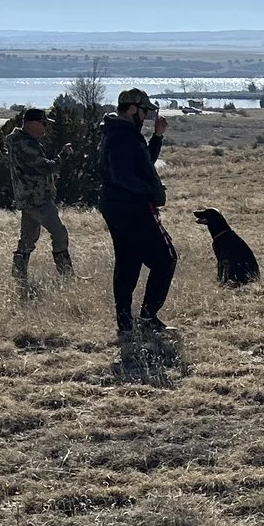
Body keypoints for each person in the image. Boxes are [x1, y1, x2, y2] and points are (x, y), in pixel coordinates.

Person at [97, 88, 174, 340]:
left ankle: (126, 322)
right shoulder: (122, 137)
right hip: (132, 208)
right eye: (143, 111)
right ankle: (147, 318)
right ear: (132, 109)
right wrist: (150, 192)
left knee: (128, 262)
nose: (145, 116)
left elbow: (142, 164)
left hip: (118, 207)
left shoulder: (122, 133)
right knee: (165, 259)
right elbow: (124, 177)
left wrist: (157, 138)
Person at [4, 107, 71, 283]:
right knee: (59, 234)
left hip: (30, 198)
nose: (45, 128)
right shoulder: (25, 145)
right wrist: (63, 155)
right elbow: (46, 167)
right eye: (43, 123)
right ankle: (67, 277)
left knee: (27, 239)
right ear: (32, 124)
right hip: (37, 199)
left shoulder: (23, 142)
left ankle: (19, 277)